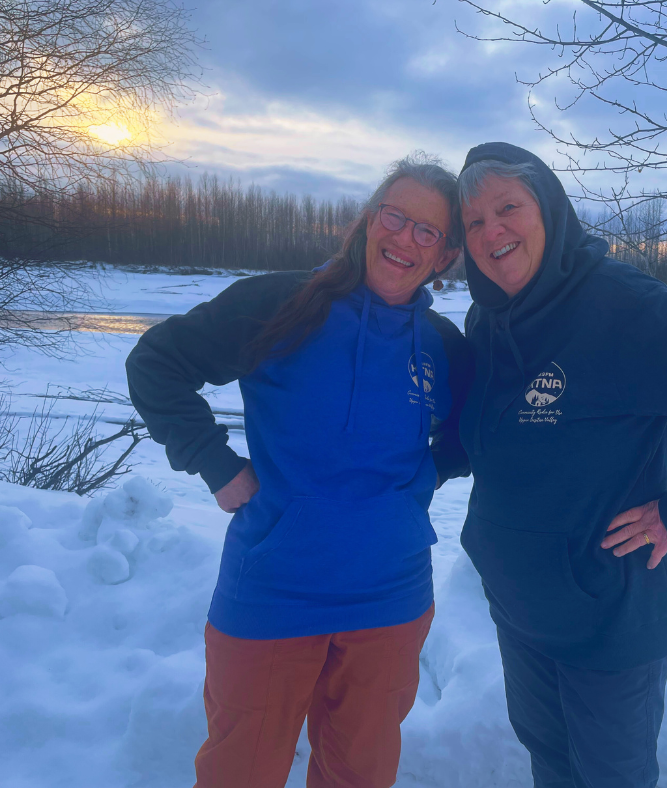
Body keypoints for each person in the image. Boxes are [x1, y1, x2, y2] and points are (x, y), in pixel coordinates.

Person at [125, 154, 473, 788]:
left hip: (390, 597)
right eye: (395, 217)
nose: (405, 238)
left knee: (358, 775)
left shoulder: (442, 344)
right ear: (369, 219)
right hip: (272, 590)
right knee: (239, 774)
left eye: (428, 230)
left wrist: (416, 484)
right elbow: (156, 364)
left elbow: (475, 432)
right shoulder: (282, 303)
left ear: (446, 255)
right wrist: (215, 464)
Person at [455, 142, 667, 788]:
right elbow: (484, 438)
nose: (491, 230)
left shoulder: (617, 304)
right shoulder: (486, 321)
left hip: (610, 616)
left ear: (548, 208)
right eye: (474, 221)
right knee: (550, 761)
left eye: (507, 208)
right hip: (522, 608)